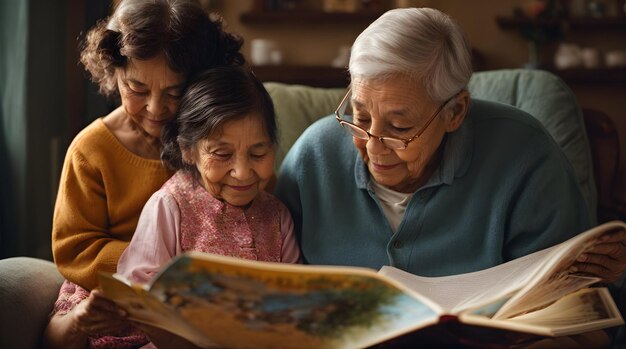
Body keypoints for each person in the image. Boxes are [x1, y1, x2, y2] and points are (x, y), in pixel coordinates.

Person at [274, 7, 626, 348]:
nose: (374, 147)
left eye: (400, 127)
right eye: (360, 117)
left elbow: (576, 309)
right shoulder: (313, 157)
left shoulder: (526, 155)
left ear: (455, 112)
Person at [44, 0, 245, 348]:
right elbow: (75, 249)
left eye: (175, 93)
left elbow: (258, 204)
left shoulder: (223, 141)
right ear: (113, 72)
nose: (155, 108)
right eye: (137, 89)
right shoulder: (92, 151)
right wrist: (157, 268)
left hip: (204, 296)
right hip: (118, 291)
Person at [117, 65, 301, 288]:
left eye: (258, 153)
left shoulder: (278, 217)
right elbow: (140, 290)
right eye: (222, 154)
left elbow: (294, 291)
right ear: (188, 150)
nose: (242, 173)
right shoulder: (169, 207)